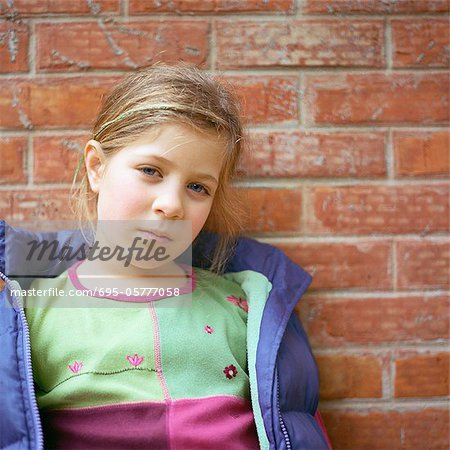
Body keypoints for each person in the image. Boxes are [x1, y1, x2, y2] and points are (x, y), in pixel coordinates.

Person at [0, 62, 332, 449]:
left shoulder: (246, 309)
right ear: (96, 168)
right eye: (151, 171)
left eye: (197, 186)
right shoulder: (29, 316)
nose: (171, 204)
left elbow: (295, 427)